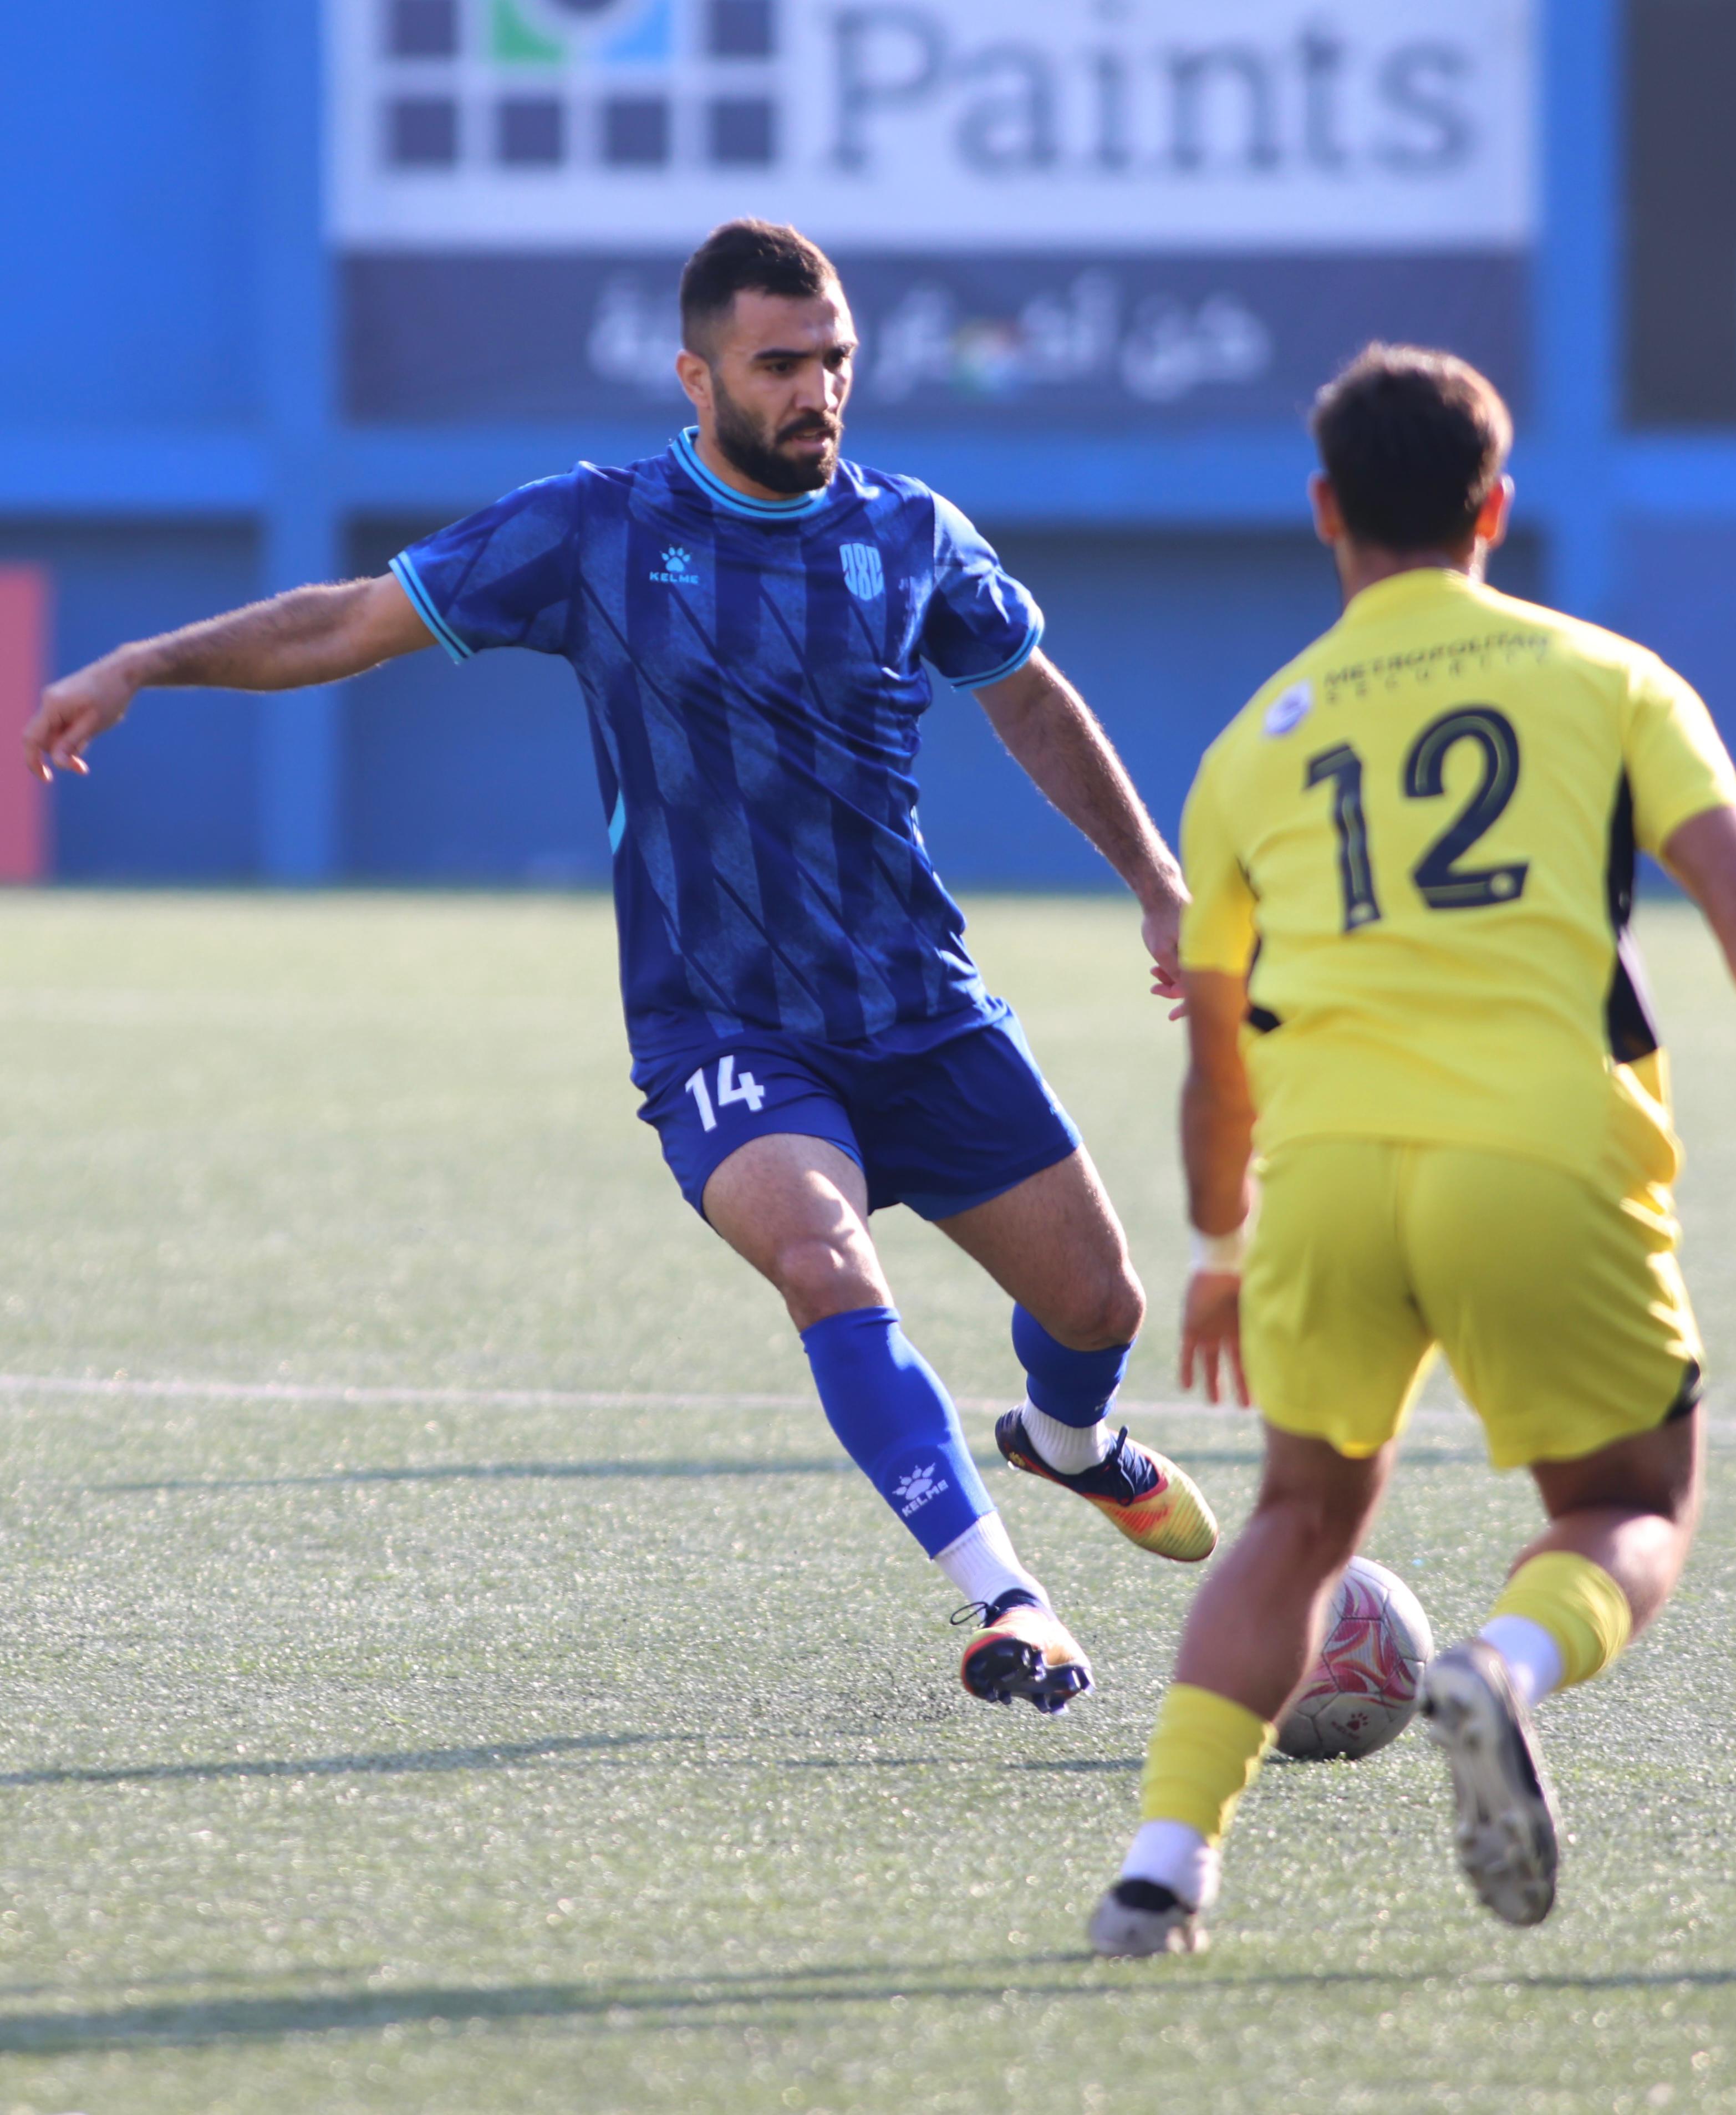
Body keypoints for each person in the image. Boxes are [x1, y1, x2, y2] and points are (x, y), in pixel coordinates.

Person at [22, 218, 1219, 1716]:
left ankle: (1063, 1440)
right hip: (722, 1023)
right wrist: (141, 662)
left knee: (1102, 1303)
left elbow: (1028, 697)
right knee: (817, 1254)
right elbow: (349, 620)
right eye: (779, 365)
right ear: (695, 374)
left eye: (834, 361)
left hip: (918, 1005)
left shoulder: (911, 536)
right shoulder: (591, 530)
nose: (817, 392)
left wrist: (1155, 883)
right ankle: (1010, 1602)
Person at [1087, 344, 1736, 1956]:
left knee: (1294, 1519)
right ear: (1494, 507)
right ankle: (1499, 1667)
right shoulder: (1603, 676)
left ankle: (1161, 1865)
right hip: (1540, 1156)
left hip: (1329, 1178)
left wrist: (1217, 1249)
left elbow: (1213, 1053)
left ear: (1324, 512)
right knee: (1631, 1497)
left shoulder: (1246, 747)